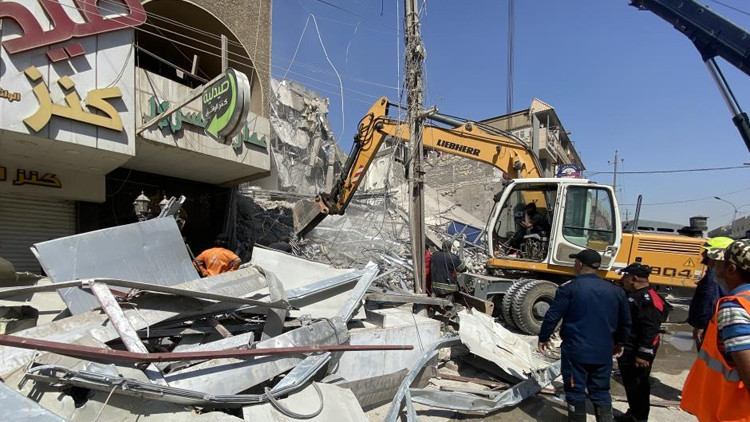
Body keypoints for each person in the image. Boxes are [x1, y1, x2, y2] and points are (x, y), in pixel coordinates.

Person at [538, 249, 631, 422]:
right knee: (601, 390)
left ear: (579, 264)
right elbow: (625, 322)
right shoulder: (616, 291)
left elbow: (552, 316)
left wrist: (543, 337)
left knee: (575, 390)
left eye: (575, 262)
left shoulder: (570, 288)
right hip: (603, 351)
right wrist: (620, 343)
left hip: (576, 351)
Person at [681, 239, 750, 421]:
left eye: (720, 263)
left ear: (731, 269)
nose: (715, 269)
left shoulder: (736, 307)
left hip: (733, 413)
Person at [615, 263, 669, 422]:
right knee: (631, 383)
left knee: (638, 384)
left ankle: (639, 417)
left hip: (637, 350)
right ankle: (633, 412)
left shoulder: (648, 300)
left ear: (633, 279)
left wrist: (643, 354)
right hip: (629, 347)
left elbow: (650, 330)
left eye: (625, 276)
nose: (622, 279)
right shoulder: (636, 294)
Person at [688, 237, 733, 350]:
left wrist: (701, 326)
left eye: (707, 251)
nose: (704, 255)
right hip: (720, 323)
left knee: (708, 354)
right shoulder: (726, 273)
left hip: (711, 325)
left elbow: (709, 300)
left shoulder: (714, 273)